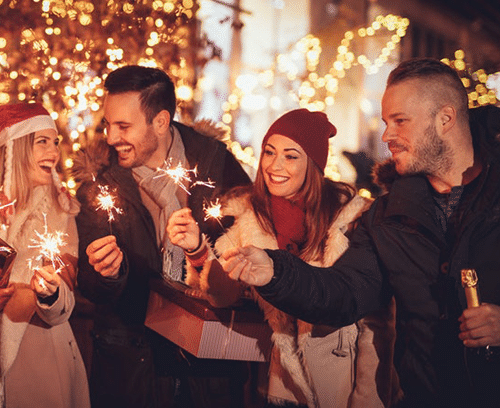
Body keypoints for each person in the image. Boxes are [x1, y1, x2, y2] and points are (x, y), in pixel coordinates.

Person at [220, 58, 500, 407]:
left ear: (445, 119)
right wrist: (277, 272)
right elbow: (344, 292)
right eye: (386, 122)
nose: (387, 136)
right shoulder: (388, 215)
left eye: (400, 121)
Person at [167, 109, 401, 407]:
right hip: (278, 389)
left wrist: (368, 398)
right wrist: (197, 250)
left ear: (313, 164)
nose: (274, 165)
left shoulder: (352, 218)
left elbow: (375, 322)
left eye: (291, 156)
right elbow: (222, 295)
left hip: (341, 387)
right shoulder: (248, 216)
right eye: (269, 152)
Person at [73, 65, 252, 408]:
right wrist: (109, 273)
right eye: (108, 125)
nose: (111, 138)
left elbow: (248, 254)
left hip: (207, 370)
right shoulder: (99, 182)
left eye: (123, 126)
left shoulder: (215, 165)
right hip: (133, 367)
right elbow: (90, 284)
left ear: (160, 121)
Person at [0, 102, 90, 408]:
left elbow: (65, 302)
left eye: (55, 142)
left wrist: (50, 295)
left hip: (38, 362)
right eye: (42, 142)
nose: (54, 151)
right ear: (16, 147)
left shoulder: (60, 209)